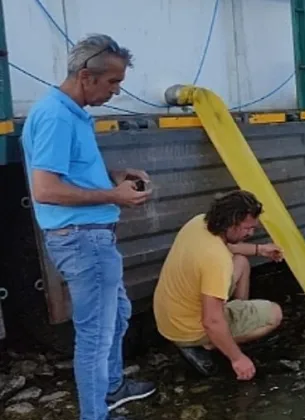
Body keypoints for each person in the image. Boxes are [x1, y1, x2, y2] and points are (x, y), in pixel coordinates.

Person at [20, 34, 156, 420]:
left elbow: (68, 172)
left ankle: (112, 386)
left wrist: (112, 175)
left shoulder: (69, 112)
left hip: (90, 239)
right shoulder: (57, 116)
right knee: (95, 336)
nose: (116, 91)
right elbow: (45, 189)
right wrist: (116, 196)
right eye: (112, 82)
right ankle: (95, 414)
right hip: (82, 241)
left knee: (119, 316)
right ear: (85, 76)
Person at [153, 190, 284, 380]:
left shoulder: (199, 223)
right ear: (231, 223)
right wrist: (237, 358)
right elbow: (211, 321)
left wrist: (259, 249)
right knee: (275, 313)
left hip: (169, 317)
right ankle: (210, 344)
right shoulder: (216, 260)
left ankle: (233, 320)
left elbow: (228, 247)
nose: (251, 233)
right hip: (189, 329)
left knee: (241, 262)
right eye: (247, 228)